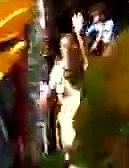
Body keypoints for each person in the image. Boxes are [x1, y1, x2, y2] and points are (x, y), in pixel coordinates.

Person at [43, 13, 88, 159]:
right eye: (64, 47)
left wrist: (80, 34)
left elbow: (89, 63)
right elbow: (49, 100)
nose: (67, 51)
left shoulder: (84, 72)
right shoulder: (57, 71)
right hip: (66, 138)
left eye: (71, 47)